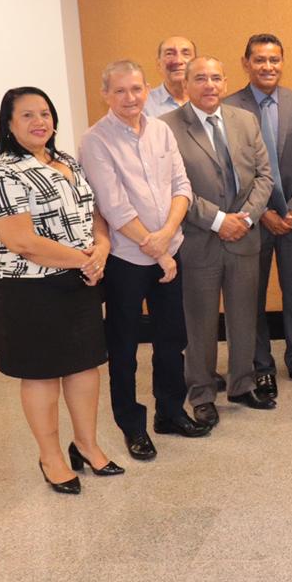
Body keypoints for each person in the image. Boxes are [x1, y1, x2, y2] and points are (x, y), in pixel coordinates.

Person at [0, 87, 120, 493]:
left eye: (45, 113)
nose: (39, 122)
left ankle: (87, 446)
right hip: (30, 290)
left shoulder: (66, 161)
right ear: (9, 124)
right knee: (41, 375)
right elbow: (22, 242)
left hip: (79, 283)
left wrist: (102, 247)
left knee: (84, 367)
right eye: (27, 115)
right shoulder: (1, 174)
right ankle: (51, 457)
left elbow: (93, 213)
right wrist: (86, 260)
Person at [80, 61, 206, 463]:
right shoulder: (95, 141)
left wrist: (167, 235)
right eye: (119, 91)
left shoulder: (161, 130)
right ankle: (132, 426)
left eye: (136, 89)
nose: (130, 98)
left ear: (146, 89)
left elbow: (182, 186)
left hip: (168, 248)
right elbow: (114, 207)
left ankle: (170, 412)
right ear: (105, 94)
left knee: (172, 339)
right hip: (125, 260)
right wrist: (159, 251)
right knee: (124, 347)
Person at [161, 57, 275, 425]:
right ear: (186, 84)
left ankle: (242, 384)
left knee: (244, 316)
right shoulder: (167, 127)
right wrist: (219, 220)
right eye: (200, 78)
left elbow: (264, 177)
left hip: (245, 236)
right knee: (200, 323)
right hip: (199, 240)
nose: (209, 85)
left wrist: (247, 218)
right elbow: (174, 188)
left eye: (215, 78)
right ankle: (202, 392)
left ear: (225, 83)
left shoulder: (245, 120)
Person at [226, 34, 292, 394]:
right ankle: (261, 365)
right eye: (260, 60)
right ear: (246, 63)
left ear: (282, 62)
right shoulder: (229, 107)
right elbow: (232, 170)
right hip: (252, 222)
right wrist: (264, 211)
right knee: (251, 296)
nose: (268, 66)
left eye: (274, 60)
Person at [143, 36, 197, 118]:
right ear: (159, 64)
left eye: (186, 54)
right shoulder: (144, 104)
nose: (178, 61)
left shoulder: (208, 100)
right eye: (169, 54)